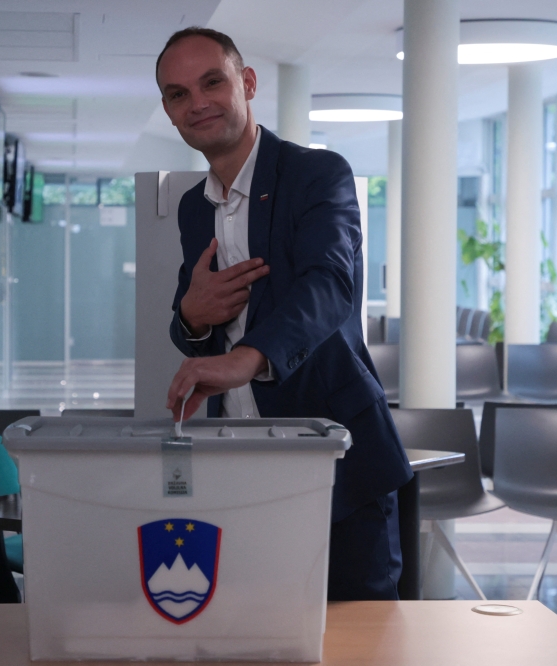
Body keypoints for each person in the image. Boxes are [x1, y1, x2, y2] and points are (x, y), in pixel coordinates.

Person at [157, 27, 413, 601]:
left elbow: (330, 285)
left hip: (336, 458)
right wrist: (193, 319)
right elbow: (192, 321)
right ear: (169, 112)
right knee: (252, 631)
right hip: (239, 462)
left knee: (360, 639)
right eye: (177, 94)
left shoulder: (316, 175)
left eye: (212, 82)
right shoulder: (193, 209)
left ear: (246, 83)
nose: (196, 102)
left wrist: (244, 360)